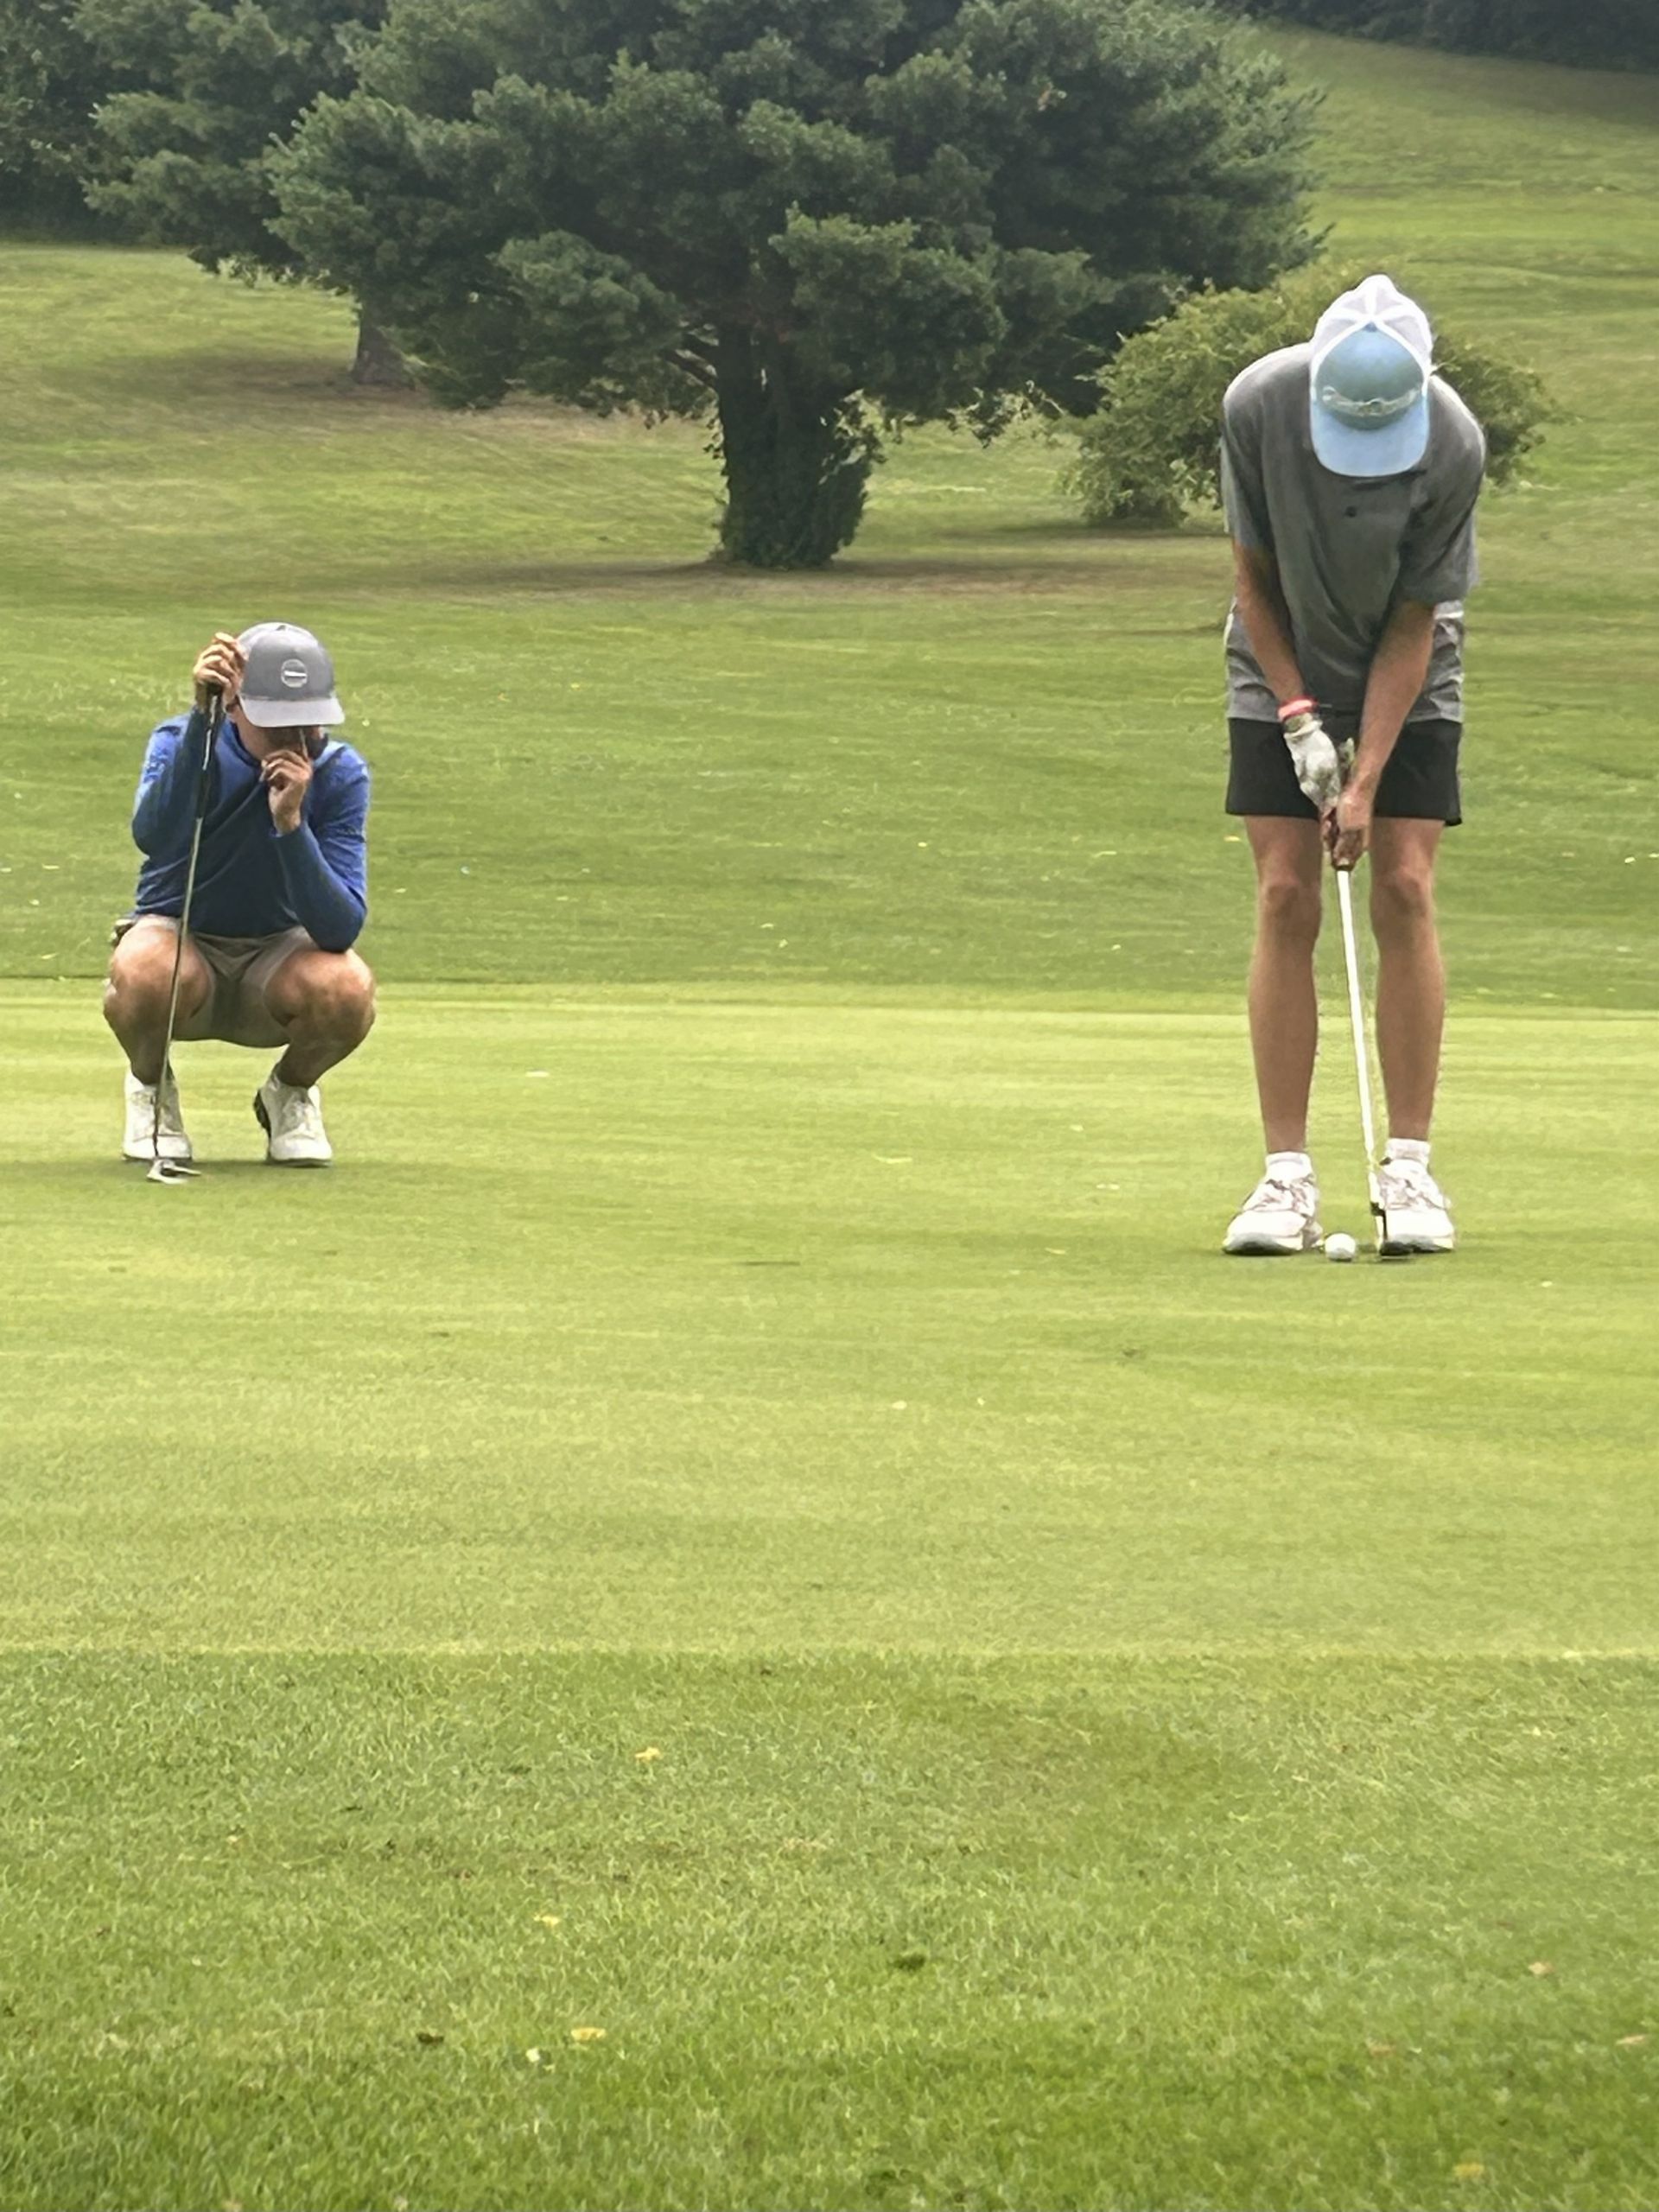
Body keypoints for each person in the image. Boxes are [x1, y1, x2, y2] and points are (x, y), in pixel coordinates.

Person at [1218, 274, 1485, 1255]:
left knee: (1405, 887)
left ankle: (1408, 1170)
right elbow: (1252, 576)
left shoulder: (1453, 440)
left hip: (1409, 675)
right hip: (1275, 656)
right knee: (1286, 893)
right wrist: (1296, 717)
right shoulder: (1256, 406)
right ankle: (1284, 1178)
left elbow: (1419, 616)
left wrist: (1365, 777)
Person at [105, 622, 374, 1166]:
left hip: (276, 963)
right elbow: (154, 836)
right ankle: (151, 1088)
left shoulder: (340, 772)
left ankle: (289, 1094)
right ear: (233, 706)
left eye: (306, 721)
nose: (293, 738)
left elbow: (340, 928)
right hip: (184, 940)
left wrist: (292, 826)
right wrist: (199, 731)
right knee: (145, 968)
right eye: (275, 722)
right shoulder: (183, 742)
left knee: (348, 987)